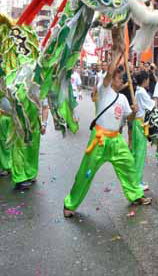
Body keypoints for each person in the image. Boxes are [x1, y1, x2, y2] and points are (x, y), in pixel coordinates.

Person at [63, 38, 151, 218]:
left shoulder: (124, 99)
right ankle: (70, 204)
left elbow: (129, 118)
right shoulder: (105, 90)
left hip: (116, 140)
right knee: (85, 173)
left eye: (120, 78)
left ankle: (135, 194)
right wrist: (118, 53)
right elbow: (110, 72)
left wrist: (134, 112)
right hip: (99, 139)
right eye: (118, 77)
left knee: (129, 167)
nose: (119, 80)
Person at [133, 70, 154, 190]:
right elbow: (151, 105)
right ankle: (137, 182)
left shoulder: (139, 91)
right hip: (140, 123)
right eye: (148, 79)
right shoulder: (142, 92)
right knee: (140, 153)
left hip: (138, 122)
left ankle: (136, 179)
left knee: (138, 153)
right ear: (145, 80)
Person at [0, 98, 13, 177]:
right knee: (3, 141)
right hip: (3, 116)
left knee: (16, 142)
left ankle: (15, 165)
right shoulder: (0, 86)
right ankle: (6, 167)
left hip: (16, 118)